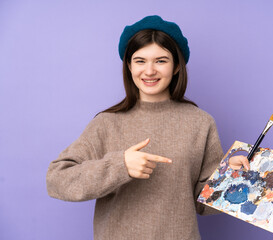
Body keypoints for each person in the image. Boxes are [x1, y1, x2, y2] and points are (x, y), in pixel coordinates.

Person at [46, 15, 250, 240]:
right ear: (129, 66)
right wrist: (120, 165)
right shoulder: (106, 123)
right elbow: (57, 180)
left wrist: (230, 176)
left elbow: (202, 204)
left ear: (175, 67)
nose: (150, 71)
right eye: (140, 61)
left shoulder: (200, 122)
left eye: (161, 60)